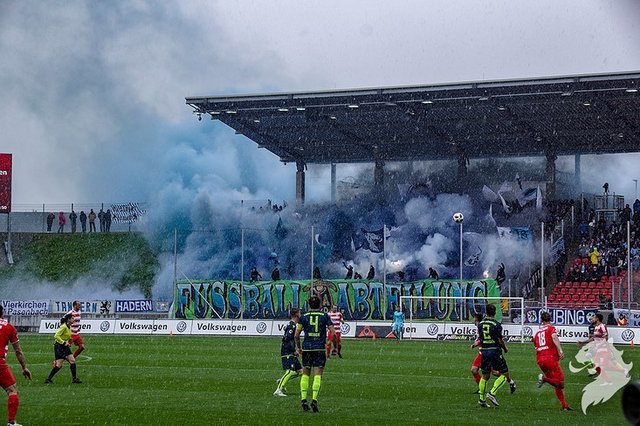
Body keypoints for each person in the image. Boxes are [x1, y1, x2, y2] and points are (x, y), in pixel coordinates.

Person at [295, 296, 337, 413]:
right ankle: (314, 400)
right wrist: (335, 347)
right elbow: (333, 333)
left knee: (305, 374)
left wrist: (299, 348)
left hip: (307, 348)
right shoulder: (324, 316)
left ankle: (303, 399)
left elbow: (296, 335)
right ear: (320, 305)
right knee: (318, 375)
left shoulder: (303, 317)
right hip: (319, 348)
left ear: (309, 305)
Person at [0, 305, 32, 426]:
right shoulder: (9, 328)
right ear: (2, 314)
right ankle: (11, 422)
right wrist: (24, 367)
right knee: (12, 390)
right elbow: (18, 351)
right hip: (0, 364)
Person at [534, 311, 572, 411]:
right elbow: (554, 337)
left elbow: (535, 345)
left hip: (540, 360)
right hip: (550, 358)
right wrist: (560, 350)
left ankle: (564, 406)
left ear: (541, 320)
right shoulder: (551, 328)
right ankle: (544, 379)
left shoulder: (537, 332)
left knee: (556, 383)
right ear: (550, 319)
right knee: (560, 382)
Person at [476, 304, 510, 407]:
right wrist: (505, 348)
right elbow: (499, 340)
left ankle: (482, 400)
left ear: (486, 311)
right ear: (495, 312)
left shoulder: (481, 324)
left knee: (485, 376)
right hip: (494, 351)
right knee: (504, 374)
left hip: (484, 351)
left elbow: (481, 338)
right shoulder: (496, 324)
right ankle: (492, 393)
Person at [45, 313, 82, 384]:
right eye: (72, 318)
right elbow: (56, 336)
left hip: (65, 347)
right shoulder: (64, 327)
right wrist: (64, 342)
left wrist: (69, 340)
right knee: (59, 365)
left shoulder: (68, 326)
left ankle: (74, 379)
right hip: (59, 347)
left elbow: (65, 336)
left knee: (72, 361)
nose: (73, 320)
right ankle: (48, 379)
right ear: (68, 319)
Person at [274, 308, 302, 397]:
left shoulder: (293, 325)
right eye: (299, 312)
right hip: (287, 351)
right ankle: (278, 390)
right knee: (290, 371)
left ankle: (282, 380)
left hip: (290, 351)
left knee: (300, 372)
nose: (300, 313)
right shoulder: (292, 326)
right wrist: (293, 351)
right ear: (297, 314)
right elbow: (287, 339)